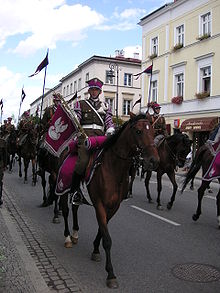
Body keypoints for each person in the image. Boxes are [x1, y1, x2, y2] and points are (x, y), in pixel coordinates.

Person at [70, 77, 115, 204]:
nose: (94, 92)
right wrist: (75, 120)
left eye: (96, 90)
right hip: (85, 136)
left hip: (101, 137)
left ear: (100, 92)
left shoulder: (105, 106)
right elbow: (77, 120)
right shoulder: (80, 104)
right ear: (89, 91)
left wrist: (110, 129)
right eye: (92, 90)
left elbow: (109, 121)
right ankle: (74, 191)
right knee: (83, 161)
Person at [0, 137, 7, 206]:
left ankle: (0, 197)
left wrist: (5, 165)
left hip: (0, 165)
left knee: (0, 181)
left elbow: (5, 154)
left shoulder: (2, 142)